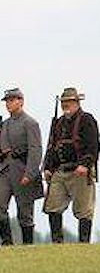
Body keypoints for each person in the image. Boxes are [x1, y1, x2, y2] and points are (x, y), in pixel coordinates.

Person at [0, 88, 44, 245]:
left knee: (25, 212)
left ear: (21, 101)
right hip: (5, 170)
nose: (8, 103)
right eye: (7, 101)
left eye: (12, 100)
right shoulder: (4, 124)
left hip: (22, 169)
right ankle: (7, 242)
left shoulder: (30, 123)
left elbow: (35, 149)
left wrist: (30, 173)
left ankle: (28, 245)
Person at [43, 87, 99, 243]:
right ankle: (57, 242)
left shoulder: (87, 120)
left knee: (83, 210)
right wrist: (48, 167)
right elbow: (52, 147)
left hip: (80, 171)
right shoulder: (59, 123)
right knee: (52, 206)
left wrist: (86, 165)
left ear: (77, 102)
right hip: (60, 171)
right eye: (63, 102)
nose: (65, 105)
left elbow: (93, 146)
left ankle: (83, 243)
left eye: (69, 102)